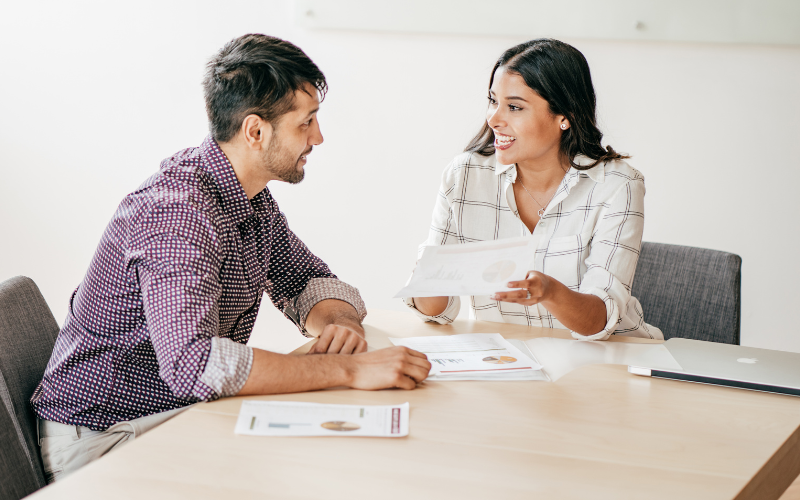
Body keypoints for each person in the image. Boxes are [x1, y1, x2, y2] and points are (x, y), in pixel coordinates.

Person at [31, 34, 431, 482]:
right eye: (307, 122)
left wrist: (341, 324)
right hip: (105, 439)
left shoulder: (248, 196)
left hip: (176, 414)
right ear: (256, 131)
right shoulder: (177, 212)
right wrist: (348, 369)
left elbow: (305, 279)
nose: (319, 137)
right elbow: (193, 365)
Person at [407, 39, 662, 342]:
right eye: (493, 101)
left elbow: (598, 322)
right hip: (510, 360)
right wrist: (430, 277)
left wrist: (550, 292)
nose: (494, 119)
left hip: (613, 357)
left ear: (564, 116)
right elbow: (436, 311)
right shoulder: (465, 174)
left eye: (514, 107)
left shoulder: (618, 185)